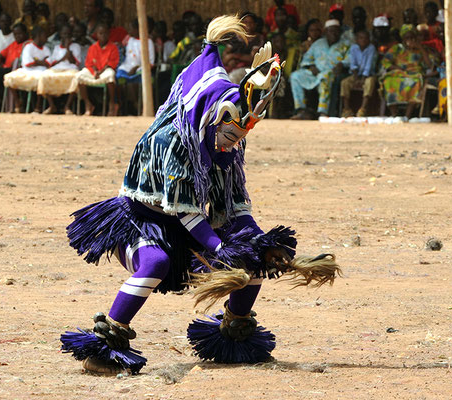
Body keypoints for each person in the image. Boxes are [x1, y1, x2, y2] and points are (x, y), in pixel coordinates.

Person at [60, 15, 298, 374]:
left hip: (188, 225)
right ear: (211, 116)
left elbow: (232, 206)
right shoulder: (171, 141)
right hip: (143, 222)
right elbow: (186, 211)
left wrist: (258, 243)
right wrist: (221, 251)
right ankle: (105, 345)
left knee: (256, 253)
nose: (233, 145)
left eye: (239, 138)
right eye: (230, 135)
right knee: (156, 262)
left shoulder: (224, 146)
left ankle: (233, 335)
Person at [290, 19, 350, 119]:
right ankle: (301, 110)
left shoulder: (345, 45)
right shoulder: (318, 43)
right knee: (295, 76)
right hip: (315, 73)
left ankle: (322, 112)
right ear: (326, 32)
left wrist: (342, 64)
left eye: (336, 31)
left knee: (325, 76)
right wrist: (311, 66)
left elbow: (350, 59)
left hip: (331, 74)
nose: (334, 33)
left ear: (340, 32)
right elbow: (307, 59)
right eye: (331, 31)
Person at [380, 24, 431, 119]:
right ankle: (394, 114)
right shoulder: (397, 48)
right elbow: (385, 62)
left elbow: (429, 65)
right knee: (388, 81)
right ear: (402, 38)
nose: (410, 40)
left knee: (415, 82)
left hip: (415, 74)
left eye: (412, 37)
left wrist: (420, 47)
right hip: (399, 73)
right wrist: (397, 68)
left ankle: (407, 115)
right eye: (407, 37)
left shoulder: (421, 49)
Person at [3, 25, 51, 113]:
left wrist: (36, 61)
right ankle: (18, 104)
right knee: (9, 77)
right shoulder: (28, 47)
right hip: (27, 70)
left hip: (41, 71)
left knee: (41, 79)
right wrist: (41, 61)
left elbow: (48, 63)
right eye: (44, 36)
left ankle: (38, 107)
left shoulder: (46, 49)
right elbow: (28, 63)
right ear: (39, 36)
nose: (46, 38)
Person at [75, 23, 119, 116]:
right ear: (97, 34)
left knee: (111, 75)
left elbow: (112, 64)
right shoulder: (93, 47)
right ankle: (88, 104)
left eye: (105, 33)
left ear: (109, 34)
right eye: (100, 33)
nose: (103, 36)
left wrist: (100, 72)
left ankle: (112, 103)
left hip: (105, 71)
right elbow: (89, 63)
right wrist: (95, 72)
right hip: (94, 72)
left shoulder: (113, 47)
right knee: (79, 75)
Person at [37, 24, 81, 114]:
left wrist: (68, 48)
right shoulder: (57, 48)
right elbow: (52, 62)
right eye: (64, 34)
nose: (66, 36)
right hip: (57, 69)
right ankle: (52, 105)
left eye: (68, 34)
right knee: (44, 76)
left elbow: (74, 62)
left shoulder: (76, 46)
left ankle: (67, 107)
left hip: (71, 69)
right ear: (60, 34)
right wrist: (63, 58)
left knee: (75, 77)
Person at [116, 18, 154, 115]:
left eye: (132, 29)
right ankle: (122, 106)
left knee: (133, 82)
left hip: (141, 69)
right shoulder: (130, 40)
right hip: (127, 67)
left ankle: (137, 106)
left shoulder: (148, 42)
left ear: (138, 29)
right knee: (118, 77)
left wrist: (136, 68)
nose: (129, 31)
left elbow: (151, 62)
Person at [340, 30, 377, 117]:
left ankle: (362, 109)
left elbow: (368, 65)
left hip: (368, 75)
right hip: (356, 74)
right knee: (344, 83)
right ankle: (346, 109)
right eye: (361, 38)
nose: (363, 40)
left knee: (369, 82)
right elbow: (353, 64)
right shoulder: (353, 48)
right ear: (356, 40)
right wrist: (356, 78)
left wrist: (363, 79)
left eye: (366, 38)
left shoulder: (371, 48)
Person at [222, 12, 264, 83]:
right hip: (232, 65)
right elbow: (225, 56)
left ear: (255, 24)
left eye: (250, 22)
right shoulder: (235, 37)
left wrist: (233, 56)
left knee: (233, 77)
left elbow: (252, 58)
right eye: (245, 22)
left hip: (248, 69)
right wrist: (230, 61)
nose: (248, 25)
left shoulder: (258, 38)